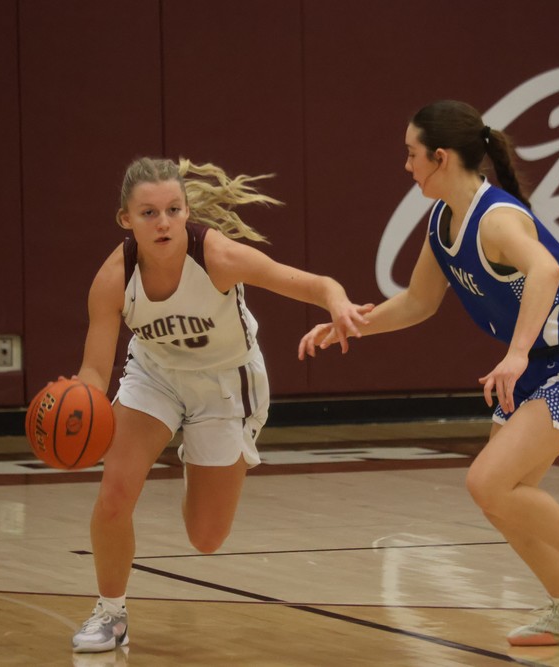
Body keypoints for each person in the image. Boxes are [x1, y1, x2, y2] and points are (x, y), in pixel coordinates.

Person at [299, 100, 559, 646]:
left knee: (487, 480)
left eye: (411, 154)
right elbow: (418, 303)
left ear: (441, 157)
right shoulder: (442, 220)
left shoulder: (496, 218)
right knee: (500, 500)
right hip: (529, 369)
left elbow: (544, 268)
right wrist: (350, 324)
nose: (406, 166)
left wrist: (518, 352)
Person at [67, 157, 371, 653]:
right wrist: (79, 401)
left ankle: (198, 453)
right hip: (155, 376)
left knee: (206, 538)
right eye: (148, 213)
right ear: (125, 220)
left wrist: (337, 304)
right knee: (115, 494)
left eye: (172, 210)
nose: (162, 223)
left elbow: (313, 283)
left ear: (187, 211)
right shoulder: (113, 278)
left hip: (225, 383)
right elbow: (95, 370)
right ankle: (111, 613)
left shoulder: (219, 258)